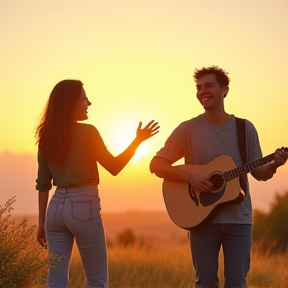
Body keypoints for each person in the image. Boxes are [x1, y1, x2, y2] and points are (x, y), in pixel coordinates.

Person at [149, 66, 288, 288]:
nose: (202, 91)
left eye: (208, 86)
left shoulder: (245, 128)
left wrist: (275, 164)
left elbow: (259, 174)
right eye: (198, 87)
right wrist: (191, 177)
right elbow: (156, 165)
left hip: (239, 221)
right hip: (201, 220)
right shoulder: (187, 129)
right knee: (205, 283)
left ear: (225, 90)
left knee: (236, 283)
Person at [35, 79, 159, 288]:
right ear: (70, 103)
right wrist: (137, 141)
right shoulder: (88, 132)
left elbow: (43, 184)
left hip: (54, 210)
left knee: (55, 282)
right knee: (97, 281)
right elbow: (114, 167)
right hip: (83, 204)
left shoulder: (46, 135)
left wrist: (41, 223)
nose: (89, 103)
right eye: (84, 98)